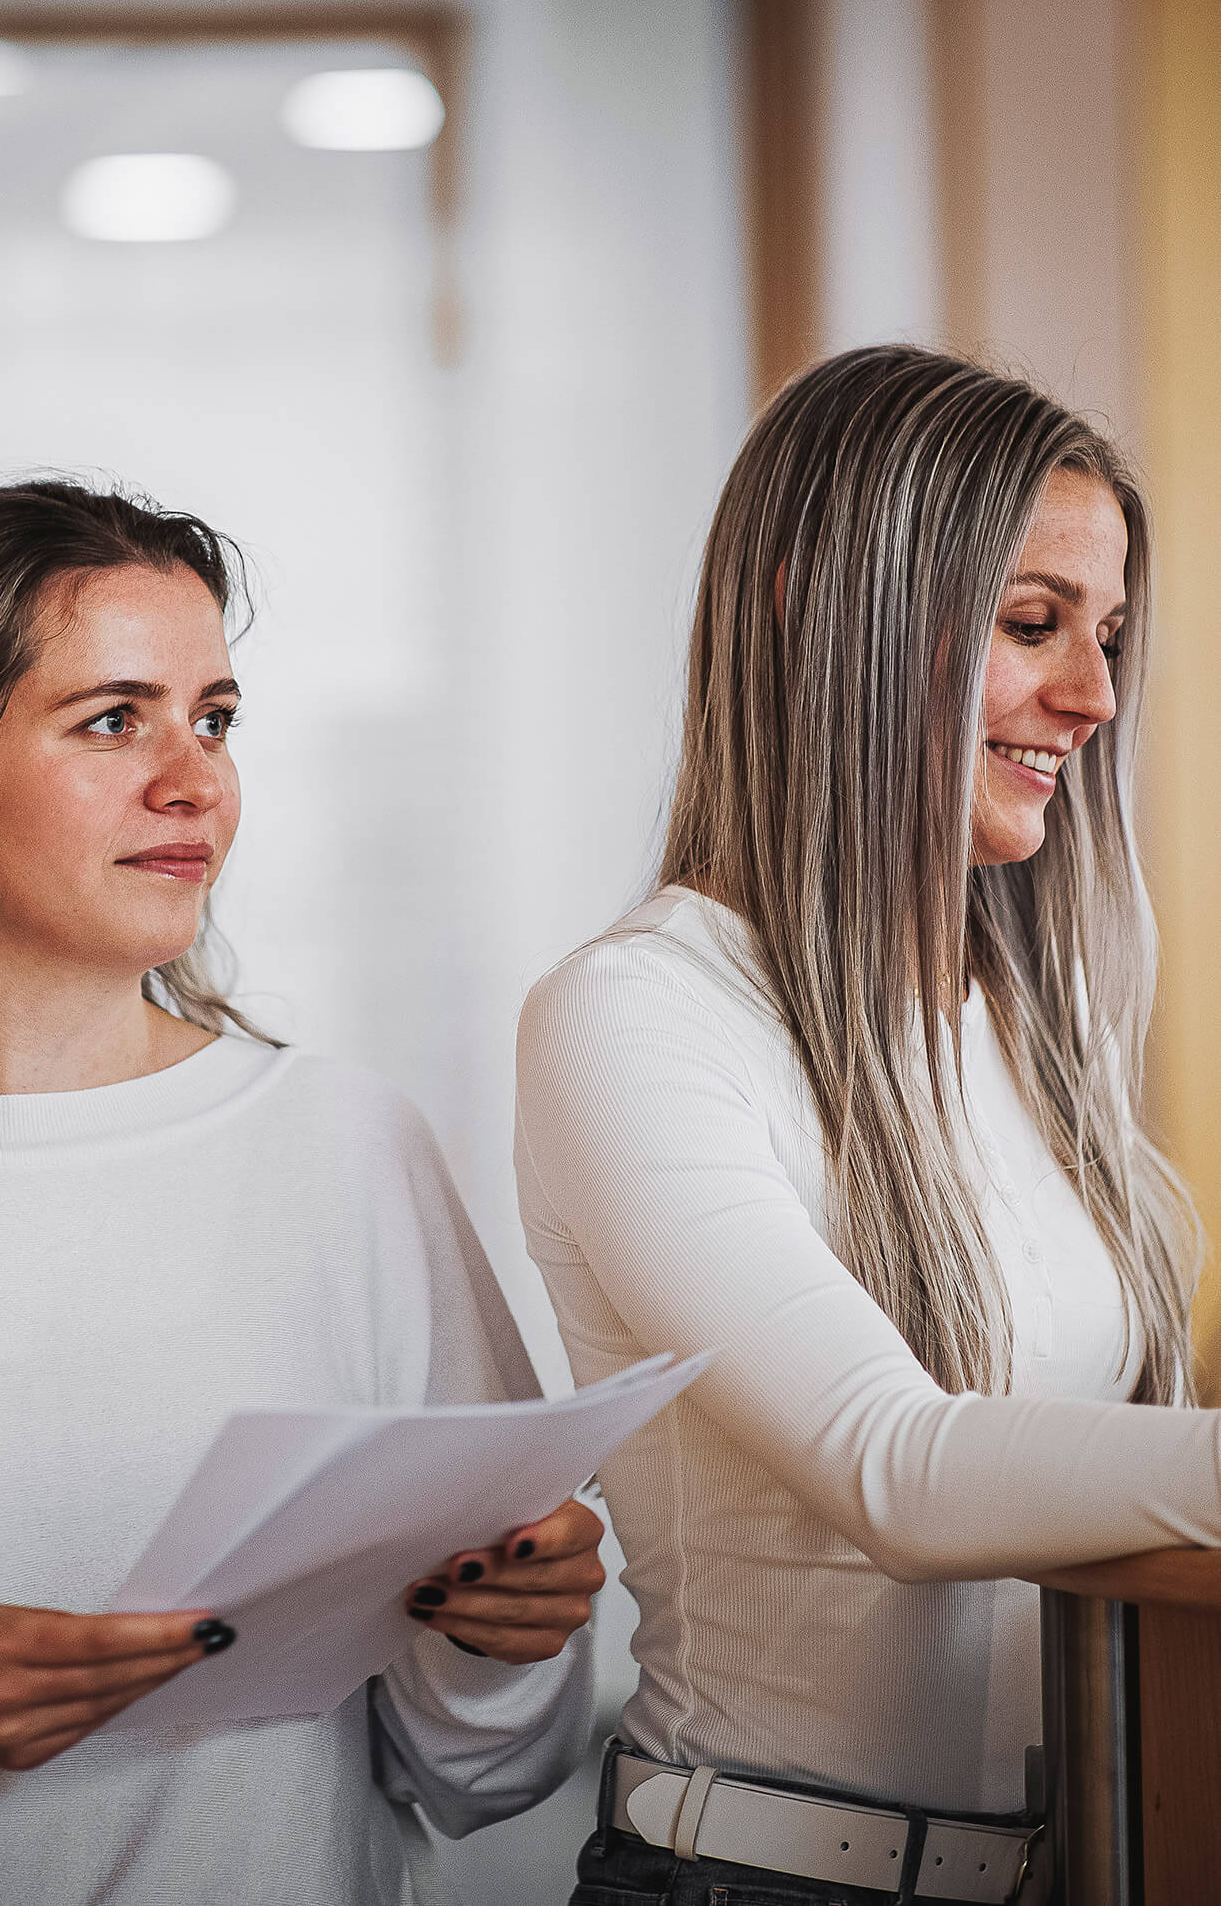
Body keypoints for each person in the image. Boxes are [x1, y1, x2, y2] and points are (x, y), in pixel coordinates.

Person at [0, 477, 603, 1906]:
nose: (194, 781)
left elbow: (491, 1776)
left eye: (213, 718)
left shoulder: (347, 1152)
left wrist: (496, 1638)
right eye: (112, 719)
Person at [515, 347, 1221, 1906]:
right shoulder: (637, 1014)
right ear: (818, 614)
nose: (1092, 697)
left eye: (1106, 635)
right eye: (1029, 624)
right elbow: (895, 1470)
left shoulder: (1039, 1008)